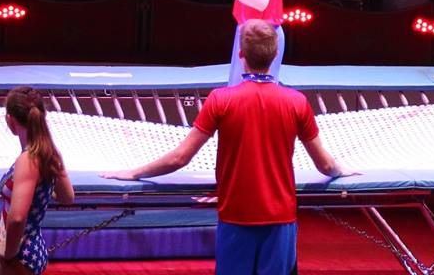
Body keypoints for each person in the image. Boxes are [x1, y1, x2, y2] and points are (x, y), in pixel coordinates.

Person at [102, 20, 351, 275]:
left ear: (241, 55)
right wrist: (342, 169)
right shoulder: (296, 102)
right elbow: (325, 165)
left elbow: (179, 158)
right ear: (275, 54)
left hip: (236, 217)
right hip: (280, 219)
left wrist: (134, 173)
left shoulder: (221, 99)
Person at [0, 87, 74, 275]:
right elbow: (67, 197)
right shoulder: (50, 152)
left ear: (10, 120)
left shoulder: (28, 160)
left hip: (20, 255)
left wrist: (7, 255)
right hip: (32, 249)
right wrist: (38, 194)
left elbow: (17, 219)